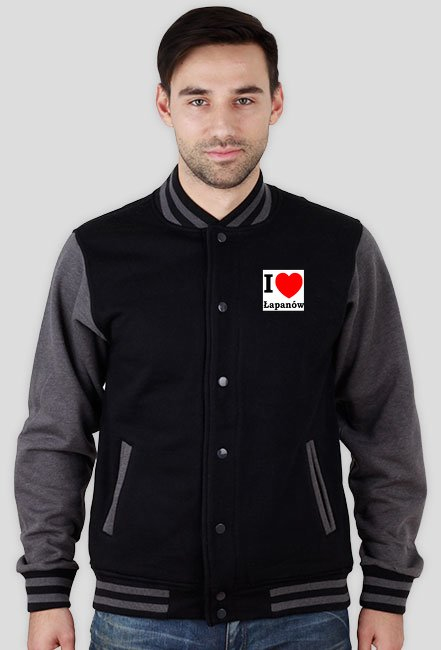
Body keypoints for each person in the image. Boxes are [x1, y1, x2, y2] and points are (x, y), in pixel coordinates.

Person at [14, 6, 427, 650]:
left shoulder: (337, 249)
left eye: (245, 98)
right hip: (140, 616)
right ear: (164, 105)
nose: (223, 125)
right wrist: (46, 590)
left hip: (303, 613)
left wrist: (387, 588)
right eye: (198, 99)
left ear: (277, 103)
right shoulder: (98, 253)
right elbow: (55, 431)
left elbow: (385, 424)